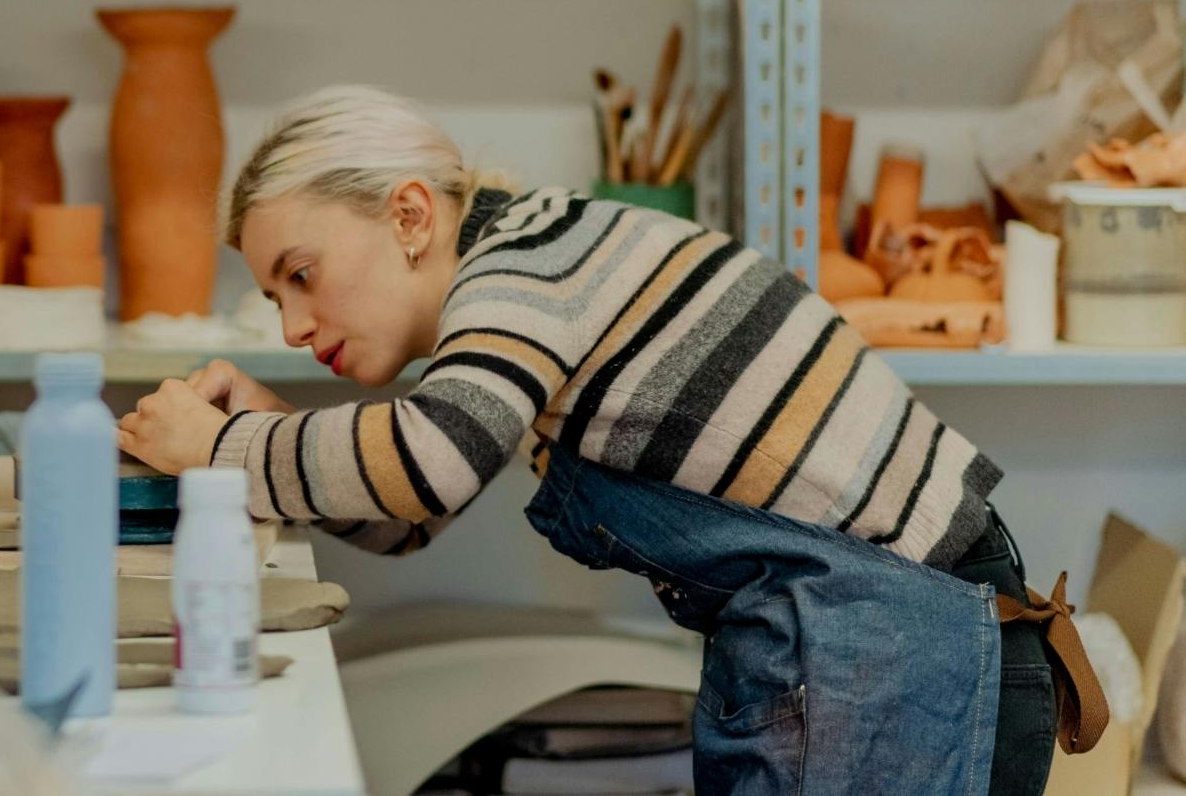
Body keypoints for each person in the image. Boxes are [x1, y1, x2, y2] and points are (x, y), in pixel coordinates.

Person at [117, 86, 1089, 796]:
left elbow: (425, 465)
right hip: (853, 645)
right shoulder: (520, 271)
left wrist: (224, 445)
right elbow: (410, 516)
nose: (290, 326)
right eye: (274, 296)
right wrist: (261, 435)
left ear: (409, 215)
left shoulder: (522, 275)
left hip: (916, 649)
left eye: (300, 273)